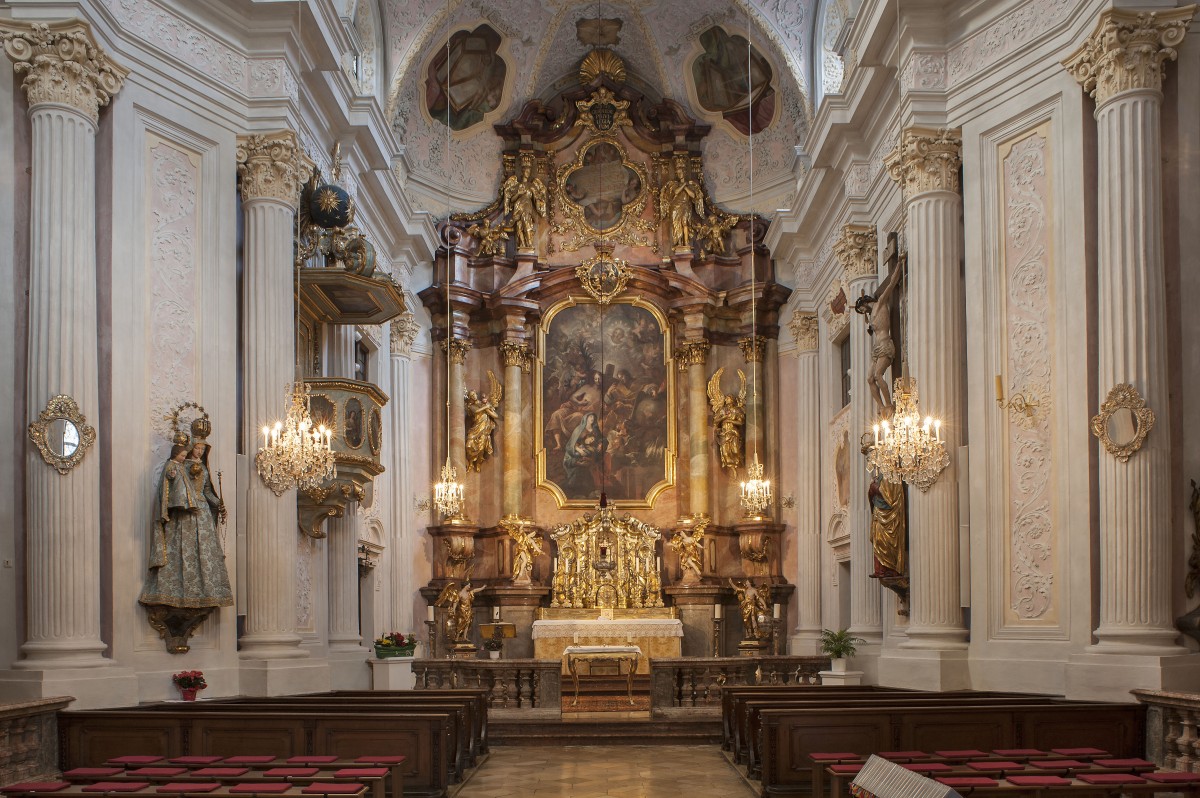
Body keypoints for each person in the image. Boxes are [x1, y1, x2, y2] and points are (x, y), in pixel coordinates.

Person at [138, 430, 233, 611]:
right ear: (190, 449)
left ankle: (204, 592)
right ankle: (176, 592)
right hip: (185, 512)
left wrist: (218, 503)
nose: (200, 452)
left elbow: (206, 491)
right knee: (181, 549)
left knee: (204, 552)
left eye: (203, 449)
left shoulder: (203, 468)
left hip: (202, 512)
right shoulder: (181, 466)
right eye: (197, 448)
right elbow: (175, 486)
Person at [853, 243, 906, 417]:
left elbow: (891, 284)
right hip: (876, 349)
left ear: (864, 303)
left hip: (885, 344)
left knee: (878, 375)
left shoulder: (880, 302)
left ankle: (889, 404)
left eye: (861, 310)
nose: (863, 313)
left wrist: (899, 263)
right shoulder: (871, 314)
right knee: (869, 379)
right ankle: (881, 406)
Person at [501, 153, 547, 252]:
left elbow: (537, 198)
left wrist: (542, 195)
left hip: (527, 206)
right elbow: (512, 200)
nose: (527, 172)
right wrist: (519, 193)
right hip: (518, 207)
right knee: (519, 226)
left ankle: (529, 244)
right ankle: (522, 245)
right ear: (522, 171)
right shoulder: (517, 186)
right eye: (525, 171)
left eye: (529, 171)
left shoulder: (532, 186)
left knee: (527, 223)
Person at [660, 155, 704, 249]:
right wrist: (683, 185)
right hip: (675, 206)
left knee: (685, 223)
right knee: (676, 225)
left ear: (684, 173)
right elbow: (675, 192)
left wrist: (685, 186)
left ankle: (686, 243)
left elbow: (693, 195)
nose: (680, 175)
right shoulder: (674, 184)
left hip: (685, 205)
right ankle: (679, 243)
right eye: (678, 173)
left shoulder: (690, 185)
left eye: (681, 173)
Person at [465, 371, 502, 472]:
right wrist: (486, 406)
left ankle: (477, 464)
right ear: (470, 398)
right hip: (475, 429)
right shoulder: (472, 406)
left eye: (474, 394)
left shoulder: (483, 405)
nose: (474, 396)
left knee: (481, 448)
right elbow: (476, 411)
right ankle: (471, 462)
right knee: (468, 445)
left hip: (484, 429)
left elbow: (496, 416)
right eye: (472, 395)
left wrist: (488, 409)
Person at [869, 478, 906, 578]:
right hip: (878, 514)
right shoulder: (881, 476)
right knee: (877, 540)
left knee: (886, 541)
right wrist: (872, 488)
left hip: (889, 516)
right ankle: (879, 570)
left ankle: (889, 568)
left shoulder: (892, 475)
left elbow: (891, 497)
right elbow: (874, 494)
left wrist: (875, 487)